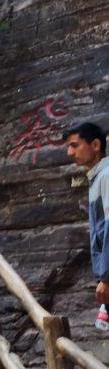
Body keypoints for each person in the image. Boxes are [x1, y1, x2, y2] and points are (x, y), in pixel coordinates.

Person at [64, 120, 109, 330]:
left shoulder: (106, 176)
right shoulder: (98, 177)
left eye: (75, 145)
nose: (69, 153)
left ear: (96, 145)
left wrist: (106, 277)